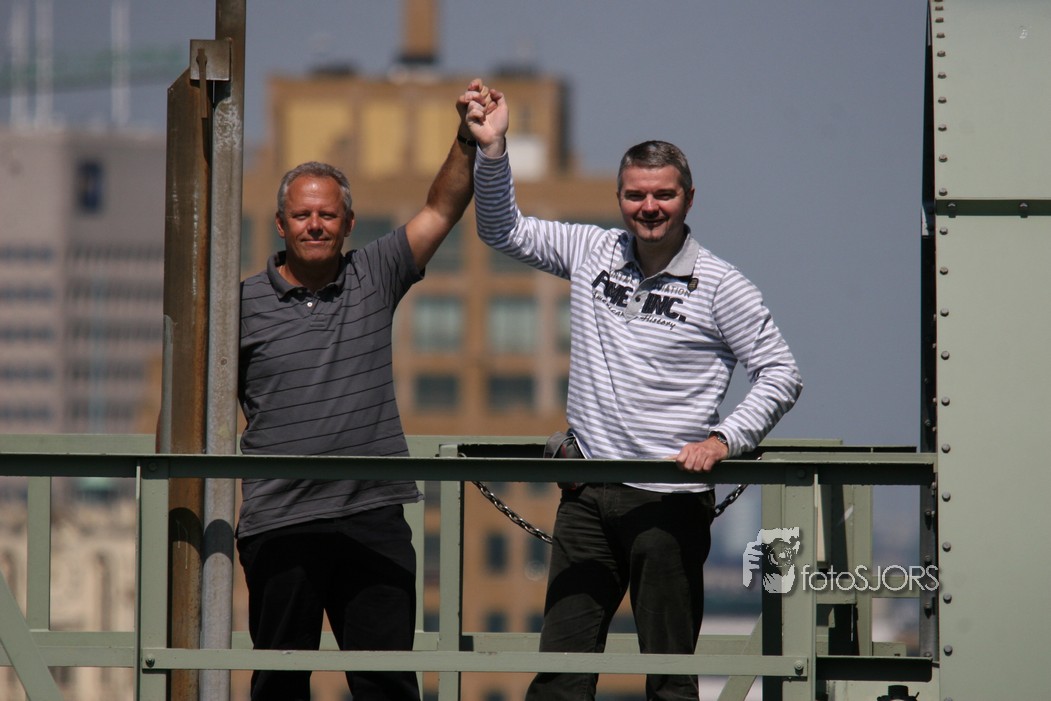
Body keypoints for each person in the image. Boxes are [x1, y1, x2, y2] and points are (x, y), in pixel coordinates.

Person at [463, 90, 803, 701]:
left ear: (689, 199)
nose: (649, 208)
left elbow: (781, 372)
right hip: (587, 492)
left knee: (669, 680)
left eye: (663, 195)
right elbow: (500, 228)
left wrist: (724, 439)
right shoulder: (593, 251)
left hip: (669, 498)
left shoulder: (721, 285)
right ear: (619, 197)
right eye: (635, 195)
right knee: (560, 678)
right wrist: (492, 150)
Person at [236, 79, 494, 701]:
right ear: (280, 223)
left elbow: (441, 209)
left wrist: (466, 138)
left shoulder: (373, 273)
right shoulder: (238, 306)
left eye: (328, 215)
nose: (315, 225)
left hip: (372, 515)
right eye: (302, 215)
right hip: (280, 521)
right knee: (277, 687)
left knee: (386, 685)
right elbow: (191, 406)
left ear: (349, 223)